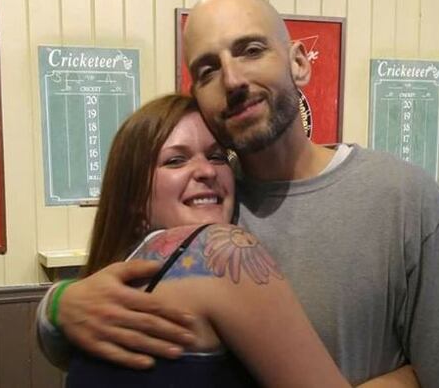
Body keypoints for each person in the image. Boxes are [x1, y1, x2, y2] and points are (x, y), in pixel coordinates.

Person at [37, 0, 439, 386]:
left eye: (251, 50)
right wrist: (57, 307)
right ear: (198, 93)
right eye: (208, 70)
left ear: (298, 62)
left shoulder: (402, 197)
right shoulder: (207, 209)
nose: (233, 80)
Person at [58, 93, 352, 387]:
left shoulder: (114, 280)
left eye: (216, 156)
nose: (207, 171)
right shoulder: (219, 248)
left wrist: (54, 304)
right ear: (134, 194)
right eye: (175, 160)